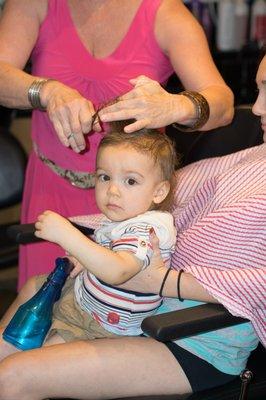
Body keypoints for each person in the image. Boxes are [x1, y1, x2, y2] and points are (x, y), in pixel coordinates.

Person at [0, 55, 265, 399]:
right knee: (36, 291)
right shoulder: (252, 158)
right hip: (142, 304)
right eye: (258, 90)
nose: (257, 108)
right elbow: (156, 204)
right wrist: (102, 246)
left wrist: (160, 280)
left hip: (195, 338)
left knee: (14, 377)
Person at [0, 0, 234, 289]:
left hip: (132, 203)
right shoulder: (34, 4)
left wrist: (175, 105)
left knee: (114, 315)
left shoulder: (165, 13)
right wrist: (45, 91)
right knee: (39, 309)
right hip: (51, 191)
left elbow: (223, 104)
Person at [33, 124, 177, 341]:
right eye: (104, 177)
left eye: (130, 181)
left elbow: (117, 271)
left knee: (36, 363)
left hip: (103, 328)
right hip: (84, 304)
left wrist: (67, 235)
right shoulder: (125, 218)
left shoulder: (147, 229)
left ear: (159, 192)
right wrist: (85, 258)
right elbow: (107, 253)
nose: (112, 190)